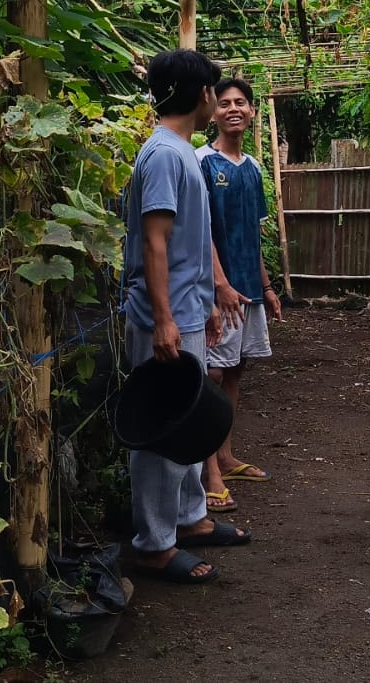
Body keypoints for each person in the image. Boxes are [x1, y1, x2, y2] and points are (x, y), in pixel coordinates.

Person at [122, 49, 252, 584]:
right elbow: (155, 242)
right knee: (162, 432)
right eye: (214, 94)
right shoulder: (164, 156)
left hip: (185, 311)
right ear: (201, 96)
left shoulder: (180, 151)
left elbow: (189, 246)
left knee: (189, 419)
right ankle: (153, 545)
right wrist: (167, 319)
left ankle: (191, 519)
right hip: (163, 317)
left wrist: (205, 306)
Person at [197, 78, 285, 513]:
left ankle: (227, 456)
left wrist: (266, 287)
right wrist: (220, 285)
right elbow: (200, 232)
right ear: (212, 112)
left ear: (252, 112)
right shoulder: (201, 162)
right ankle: (209, 468)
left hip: (247, 290)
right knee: (212, 375)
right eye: (225, 103)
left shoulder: (251, 168)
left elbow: (252, 233)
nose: (233, 109)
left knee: (236, 371)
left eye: (241, 103)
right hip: (219, 292)